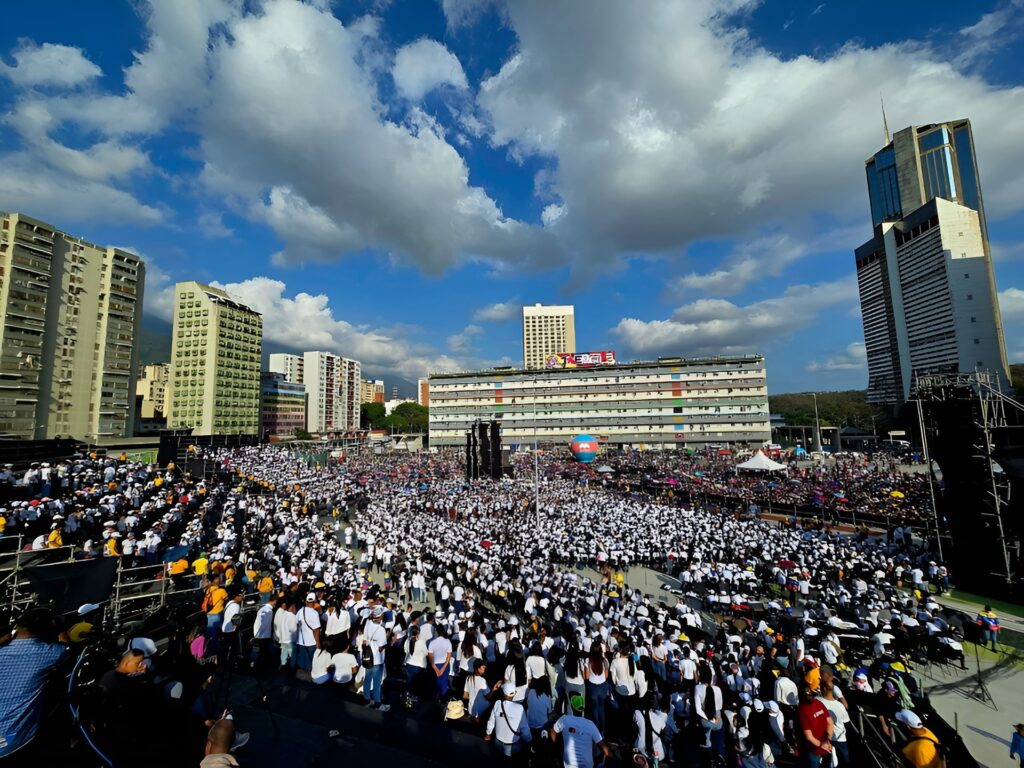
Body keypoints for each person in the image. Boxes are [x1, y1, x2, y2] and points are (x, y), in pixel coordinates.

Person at [0, 608, 66, 760]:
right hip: (15, 741)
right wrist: (61, 631)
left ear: (17, 627)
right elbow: (66, 648)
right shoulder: (50, 653)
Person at [551, 693, 608, 768]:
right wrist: (606, 757)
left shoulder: (564, 719)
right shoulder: (590, 724)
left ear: (571, 707)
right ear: (583, 708)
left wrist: (555, 749)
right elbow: (602, 745)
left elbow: (552, 731)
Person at [486, 681, 532, 760]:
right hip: (514, 747)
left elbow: (491, 722)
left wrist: (488, 734)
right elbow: (525, 729)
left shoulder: (497, 703)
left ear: (504, 694)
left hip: (497, 743)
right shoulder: (520, 708)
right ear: (514, 694)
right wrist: (529, 740)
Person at [797, 682, 833, 768]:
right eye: (808, 695)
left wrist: (827, 740)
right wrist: (824, 743)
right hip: (817, 748)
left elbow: (830, 723)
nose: (810, 696)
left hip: (822, 747)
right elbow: (809, 736)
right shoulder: (803, 710)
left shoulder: (817, 704)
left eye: (810, 694)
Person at [362, 606, 389, 711]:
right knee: (377, 682)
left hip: (368, 657)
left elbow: (364, 641)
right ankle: (378, 704)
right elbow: (381, 647)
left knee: (367, 679)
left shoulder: (368, 624)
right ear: (380, 616)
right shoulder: (381, 629)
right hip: (377, 659)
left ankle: (367, 700)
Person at [294, 593, 321, 672]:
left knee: (302, 663)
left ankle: (301, 677)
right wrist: (318, 643)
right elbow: (316, 630)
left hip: (301, 641)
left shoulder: (300, 611)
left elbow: (296, 623)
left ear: (306, 601)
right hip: (312, 642)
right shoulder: (315, 613)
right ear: (314, 602)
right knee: (312, 663)